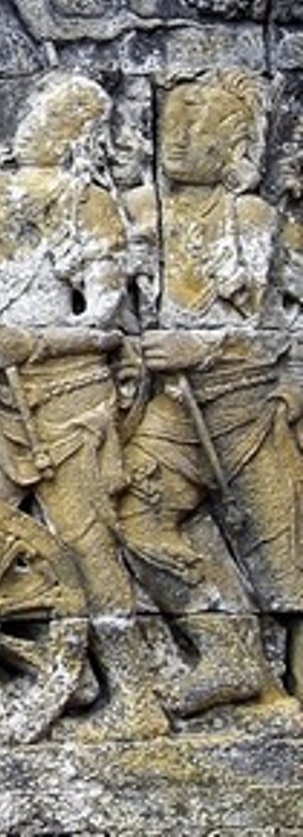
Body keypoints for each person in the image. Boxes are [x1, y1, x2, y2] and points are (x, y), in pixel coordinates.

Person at [0, 71, 168, 738]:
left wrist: (32, 341)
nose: (31, 125)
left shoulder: (89, 202)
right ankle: (57, 664)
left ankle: (136, 697)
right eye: (34, 111)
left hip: (67, 390)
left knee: (86, 541)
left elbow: (104, 314)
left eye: (54, 120)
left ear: (80, 139)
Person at [123, 71, 303, 715]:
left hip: (247, 403)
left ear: (235, 146)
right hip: (173, 408)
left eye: (202, 124)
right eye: (173, 116)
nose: (180, 133)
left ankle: (289, 692)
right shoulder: (143, 211)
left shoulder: (251, 218)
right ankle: (226, 649)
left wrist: (202, 349)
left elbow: (278, 327)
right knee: (132, 515)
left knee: (284, 560)